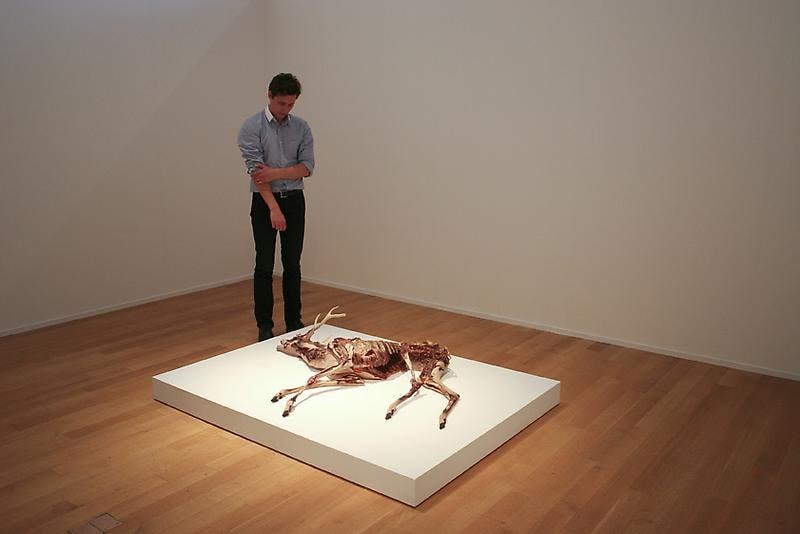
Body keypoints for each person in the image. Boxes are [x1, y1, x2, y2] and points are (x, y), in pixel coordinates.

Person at [237, 73, 315, 341]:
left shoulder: (302, 127)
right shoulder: (251, 127)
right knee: (264, 264)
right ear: (270, 96)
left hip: (295, 200)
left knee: (293, 264)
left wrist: (275, 172)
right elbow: (258, 175)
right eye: (282, 103)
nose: (286, 109)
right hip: (264, 202)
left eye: (291, 104)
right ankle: (265, 325)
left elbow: (306, 168)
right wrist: (273, 208)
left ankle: (294, 321)